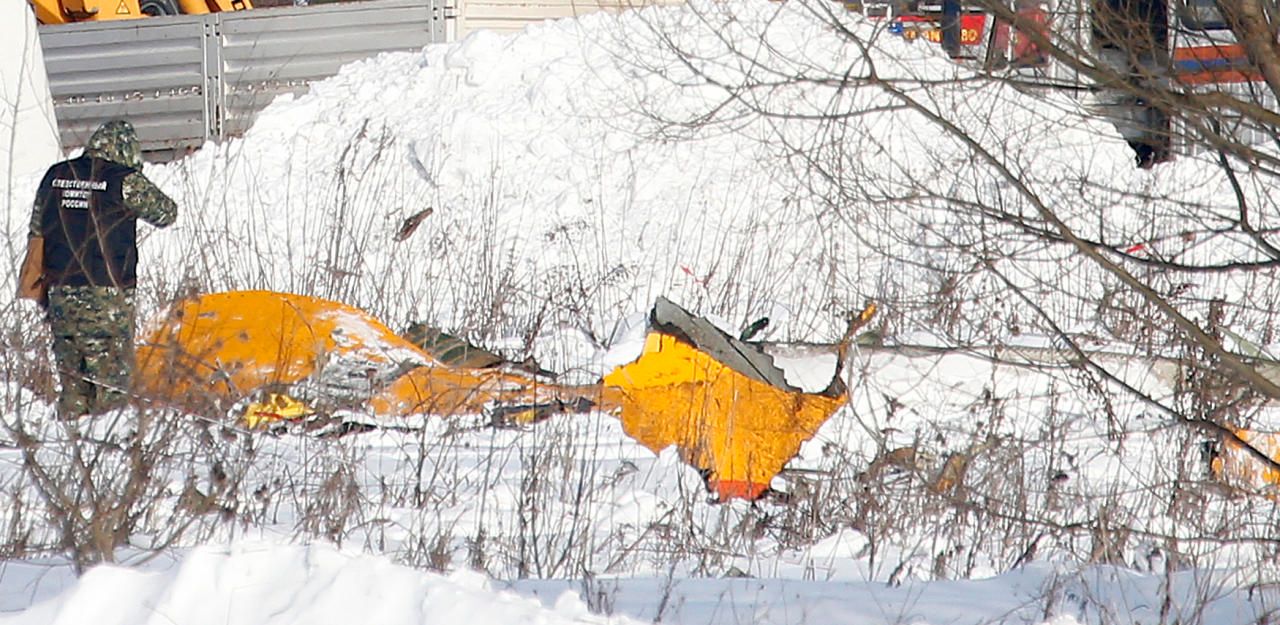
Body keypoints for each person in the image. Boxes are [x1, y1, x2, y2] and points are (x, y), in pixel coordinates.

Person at [23, 120, 177, 417]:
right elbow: (166, 213)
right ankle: (106, 452)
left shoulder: (55, 176)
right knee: (111, 389)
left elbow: (36, 231)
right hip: (107, 296)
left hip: (61, 295)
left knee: (73, 386)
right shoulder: (124, 180)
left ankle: (70, 450)